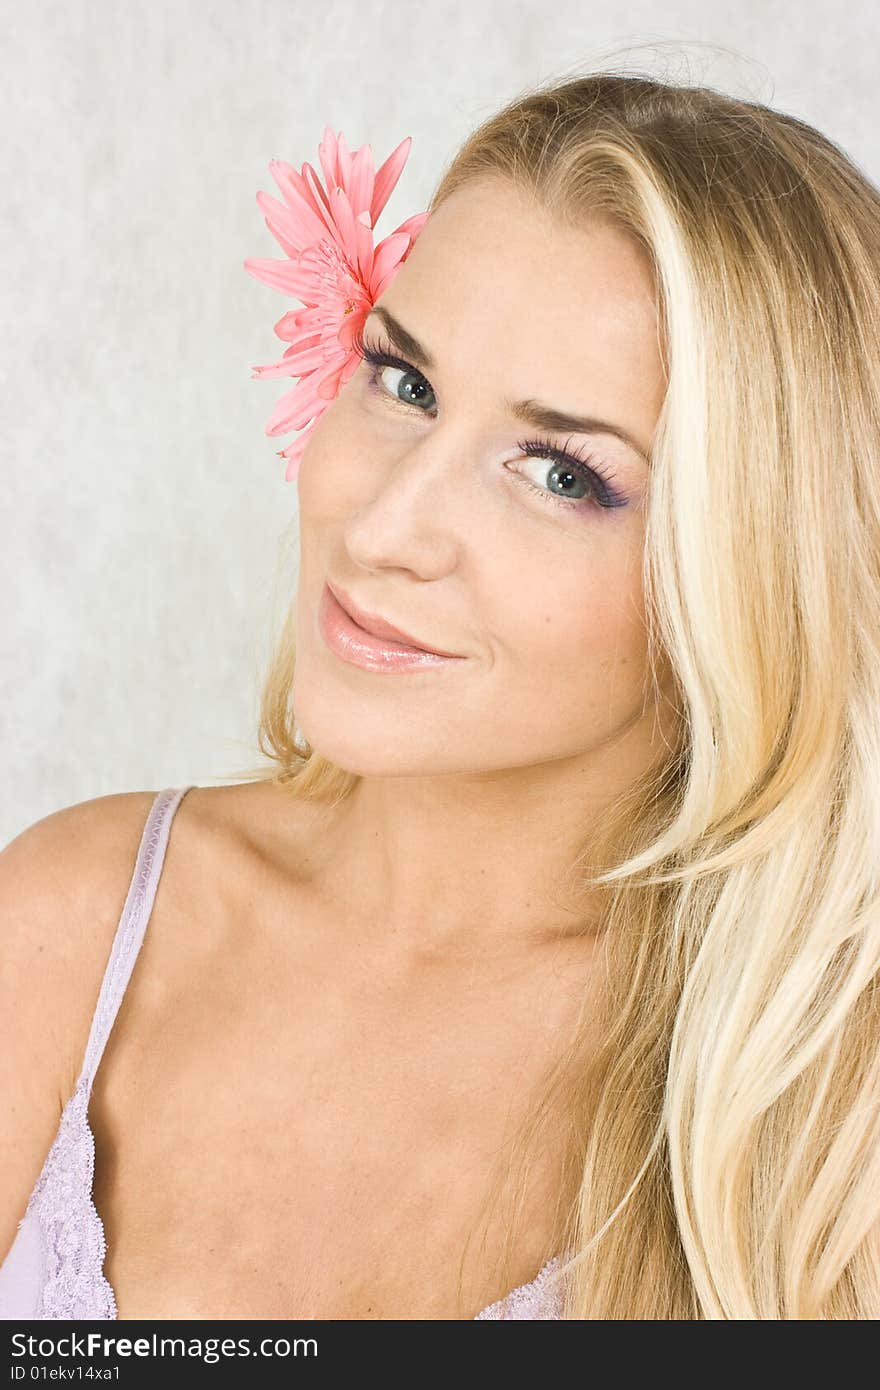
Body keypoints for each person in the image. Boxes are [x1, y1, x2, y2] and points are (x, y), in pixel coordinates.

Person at [2, 67, 880, 1321]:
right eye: (403, 382)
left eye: (561, 473)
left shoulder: (821, 1132)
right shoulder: (67, 928)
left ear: (753, 579)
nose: (387, 521)